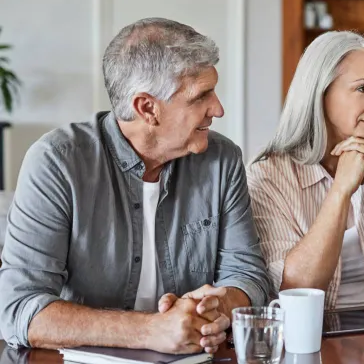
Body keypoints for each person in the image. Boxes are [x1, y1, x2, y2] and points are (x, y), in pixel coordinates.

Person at [0, 18, 269, 353]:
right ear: (147, 108)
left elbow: (250, 277)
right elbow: (19, 310)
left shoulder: (222, 159)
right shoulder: (57, 162)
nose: (218, 108)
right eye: (201, 96)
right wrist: (149, 331)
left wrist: (216, 309)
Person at [247, 31, 364, 310]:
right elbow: (298, 289)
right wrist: (340, 190)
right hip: (315, 339)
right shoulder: (268, 177)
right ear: (320, 93)